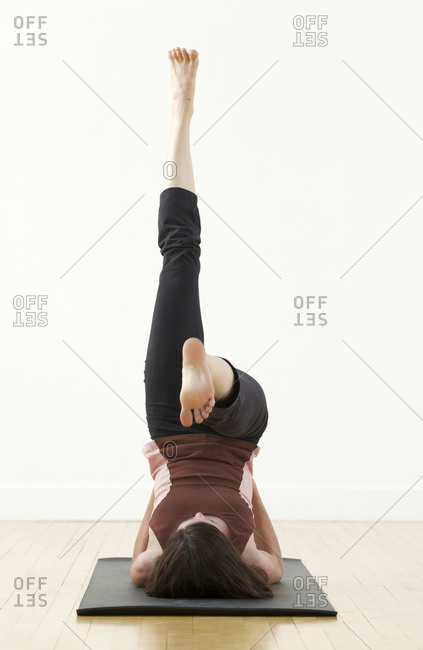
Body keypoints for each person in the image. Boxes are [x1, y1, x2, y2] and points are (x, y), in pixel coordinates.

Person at [130, 47, 284, 598]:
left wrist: (249, 479)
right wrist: (159, 483)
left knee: (237, 406)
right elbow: (138, 565)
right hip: (169, 427)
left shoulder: (250, 560)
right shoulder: (153, 565)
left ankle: (216, 377)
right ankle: (179, 116)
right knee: (179, 252)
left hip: (239, 436)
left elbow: (277, 563)